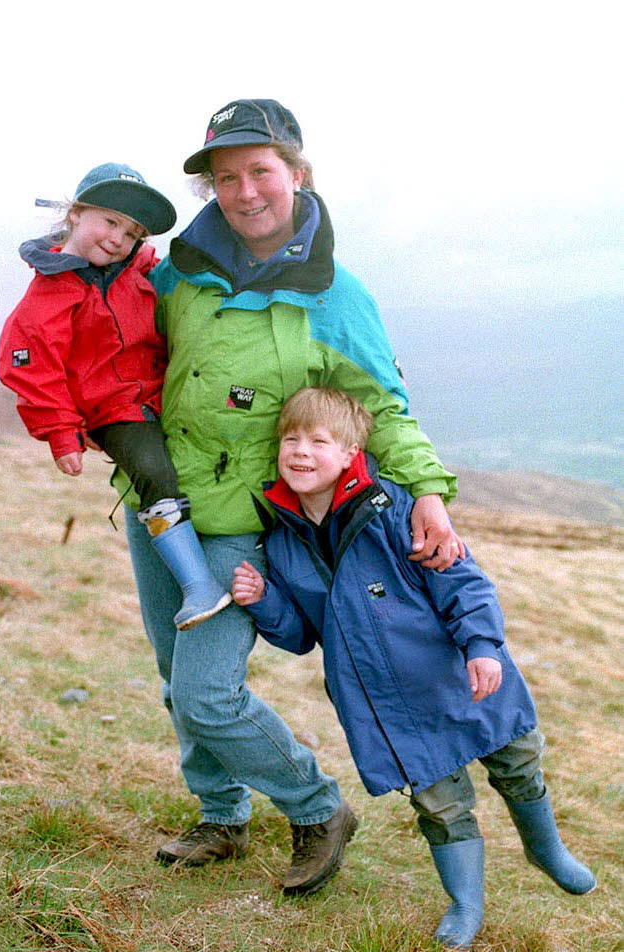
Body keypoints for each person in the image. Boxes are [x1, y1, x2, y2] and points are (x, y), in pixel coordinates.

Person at [120, 98, 465, 895]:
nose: (244, 192)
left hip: (241, 521)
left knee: (207, 693)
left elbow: (382, 408)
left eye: (260, 172)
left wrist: (428, 491)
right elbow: (116, 338)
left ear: (298, 174)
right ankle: (220, 814)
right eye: (225, 178)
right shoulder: (177, 273)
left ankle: (316, 806)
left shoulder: (336, 295)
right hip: (160, 505)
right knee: (177, 674)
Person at [232, 386, 596, 947]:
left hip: (456, 671)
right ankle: (465, 904)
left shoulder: (396, 509)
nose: (301, 452)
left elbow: (461, 582)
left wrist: (481, 646)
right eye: (291, 439)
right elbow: (303, 635)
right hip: (387, 703)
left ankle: (545, 850)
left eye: (319, 441)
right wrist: (264, 602)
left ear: (351, 452)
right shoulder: (281, 540)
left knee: (519, 761)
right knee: (440, 804)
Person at [0, 163, 231, 630]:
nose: (118, 239)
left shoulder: (143, 272)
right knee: (152, 470)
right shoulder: (50, 292)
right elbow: (32, 366)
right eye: (110, 221)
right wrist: (61, 432)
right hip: (114, 410)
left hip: (166, 393)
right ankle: (199, 584)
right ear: (76, 213)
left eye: (132, 233)